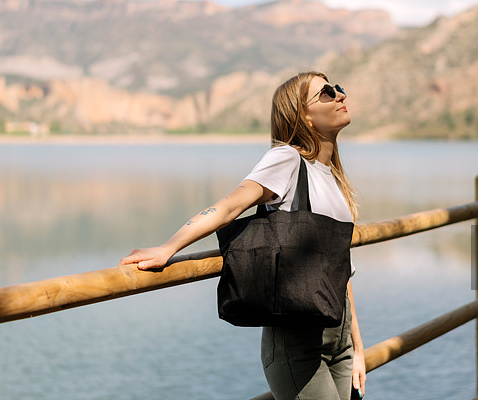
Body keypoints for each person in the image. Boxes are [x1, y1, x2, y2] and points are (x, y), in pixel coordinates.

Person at [120, 71, 366, 400]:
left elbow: (339, 270)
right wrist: (168, 248)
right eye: (325, 93)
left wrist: (357, 348)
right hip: (298, 345)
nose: (338, 95)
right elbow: (229, 206)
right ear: (303, 116)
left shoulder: (332, 177)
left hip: (339, 340)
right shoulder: (287, 159)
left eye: (337, 88)